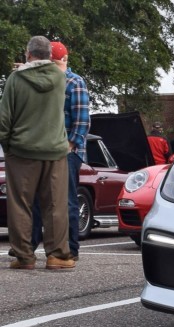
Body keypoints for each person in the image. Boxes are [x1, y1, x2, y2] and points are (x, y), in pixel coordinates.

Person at [0, 36, 74, 270]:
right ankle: (57, 256)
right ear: (49, 55)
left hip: (22, 151)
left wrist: (8, 145)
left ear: (28, 53)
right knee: (55, 204)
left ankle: (24, 257)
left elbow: (4, 118)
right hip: (54, 150)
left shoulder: (16, 78)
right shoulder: (61, 78)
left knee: (21, 204)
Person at [24, 41, 91, 262]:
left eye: (54, 62)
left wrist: (69, 147)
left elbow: (82, 121)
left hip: (67, 151)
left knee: (66, 200)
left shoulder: (75, 82)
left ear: (64, 60)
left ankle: (70, 248)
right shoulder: (40, 81)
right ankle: (28, 249)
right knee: (35, 200)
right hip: (42, 149)